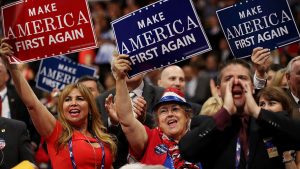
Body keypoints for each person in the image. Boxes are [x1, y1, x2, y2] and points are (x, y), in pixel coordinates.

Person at [0, 40, 116, 169]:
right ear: (62, 108)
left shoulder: (104, 138)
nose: (73, 103)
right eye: (67, 99)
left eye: (79, 98)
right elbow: (32, 103)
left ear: (90, 107)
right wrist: (12, 67)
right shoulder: (57, 133)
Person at [179, 59, 300, 169]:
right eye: (228, 79)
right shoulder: (206, 123)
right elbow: (187, 151)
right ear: (218, 90)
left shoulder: (269, 121)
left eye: (242, 78)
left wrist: (257, 112)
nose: (236, 82)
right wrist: (224, 113)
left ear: (252, 88)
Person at [113, 54, 201, 168]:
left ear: (187, 116)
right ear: (158, 120)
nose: (170, 114)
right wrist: (120, 79)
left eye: (175, 109)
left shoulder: (200, 139)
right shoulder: (149, 138)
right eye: (163, 111)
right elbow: (127, 120)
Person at [0, 58, 39, 150]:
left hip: (16, 147)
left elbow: (35, 117)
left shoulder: (20, 96)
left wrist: (33, 143)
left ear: (7, 77)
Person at [256, 86, 300, 169]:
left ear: (284, 107)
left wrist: (286, 154)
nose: (266, 108)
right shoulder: (255, 132)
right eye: (262, 104)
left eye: (272, 103)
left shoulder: (294, 131)